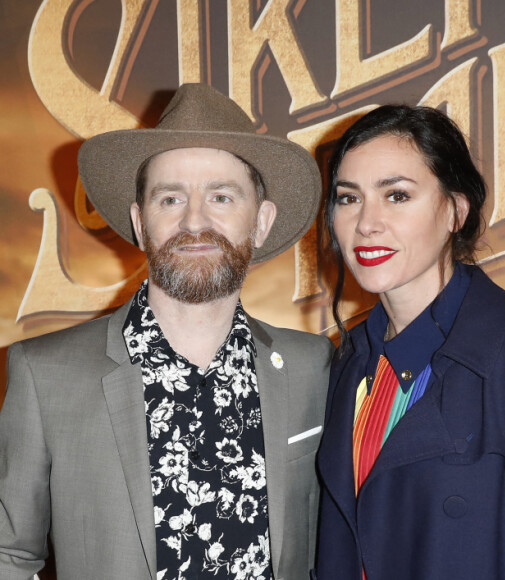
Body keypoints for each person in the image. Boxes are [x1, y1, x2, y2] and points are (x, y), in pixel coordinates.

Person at [0, 83, 333, 580]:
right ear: (140, 222)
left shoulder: (315, 366)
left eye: (221, 196)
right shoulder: (43, 375)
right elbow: (11, 554)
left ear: (261, 222)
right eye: (170, 198)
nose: (194, 220)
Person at [314, 104, 505, 579]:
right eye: (348, 198)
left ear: (456, 211)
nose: (367, 223)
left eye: (396, 195)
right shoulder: (348, 362)